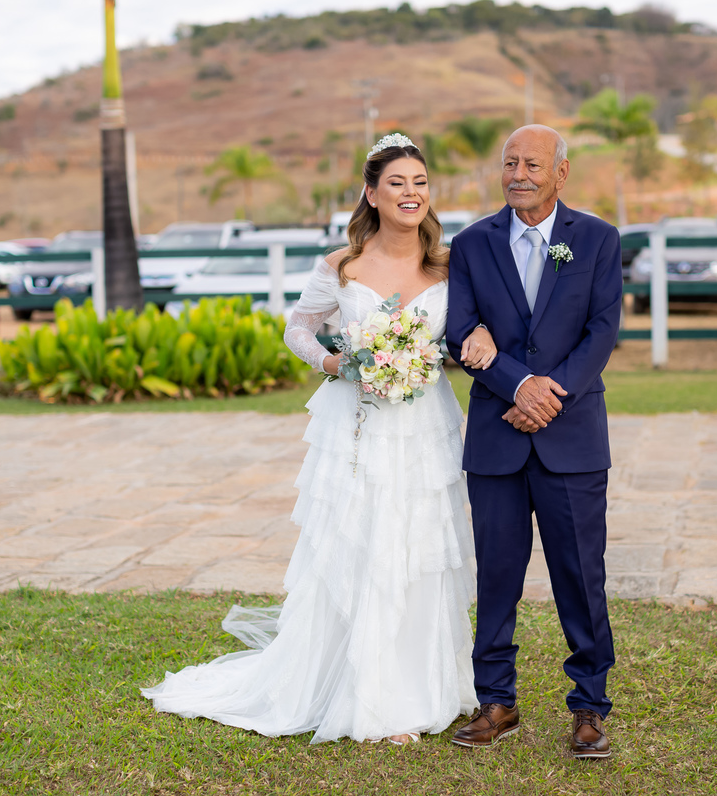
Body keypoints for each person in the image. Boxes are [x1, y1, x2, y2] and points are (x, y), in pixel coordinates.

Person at [142, 134, 498, 746]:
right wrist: (341, 365)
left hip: (425, 425)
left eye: (420, 183)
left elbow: (474, 324)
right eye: (397, 183)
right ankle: (366, 695)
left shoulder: (450, 264)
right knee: (361, 541)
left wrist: (482, 332)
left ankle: (423, 687)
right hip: (357, 426)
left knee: (419, 544)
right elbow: (299, 331)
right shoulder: (342, 265)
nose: (411, 194)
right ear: (371, 193)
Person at [445, 125, 623, 759]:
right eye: (510, 162)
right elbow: (459, 329)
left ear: (561, 173)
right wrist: (517, 386)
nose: (519, 172)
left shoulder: (597, 240)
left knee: (581, 575)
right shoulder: (470, 245)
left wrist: (550, 394)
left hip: (571, 435)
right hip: (497, 437)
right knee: (495, 575)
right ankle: (496, 699)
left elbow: (603, 329)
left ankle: (590, 709)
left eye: (533, 163)